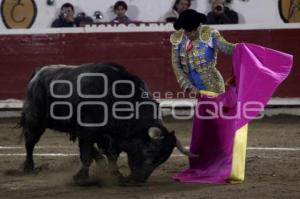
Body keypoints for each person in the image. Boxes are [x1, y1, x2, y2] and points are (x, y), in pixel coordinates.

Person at [170, 9, 292, 184]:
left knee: (220, 130)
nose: (189, 34)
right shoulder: (177, 39)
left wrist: (241, 49)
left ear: (198, 26)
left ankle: (223, 164)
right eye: (186, 30)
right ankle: (204, 162)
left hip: (214, 88)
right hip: (198, 92)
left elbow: (227, 48)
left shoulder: (209, 34)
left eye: (192, 30)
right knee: (205, 129)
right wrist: (189, 87)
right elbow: (177, 67)